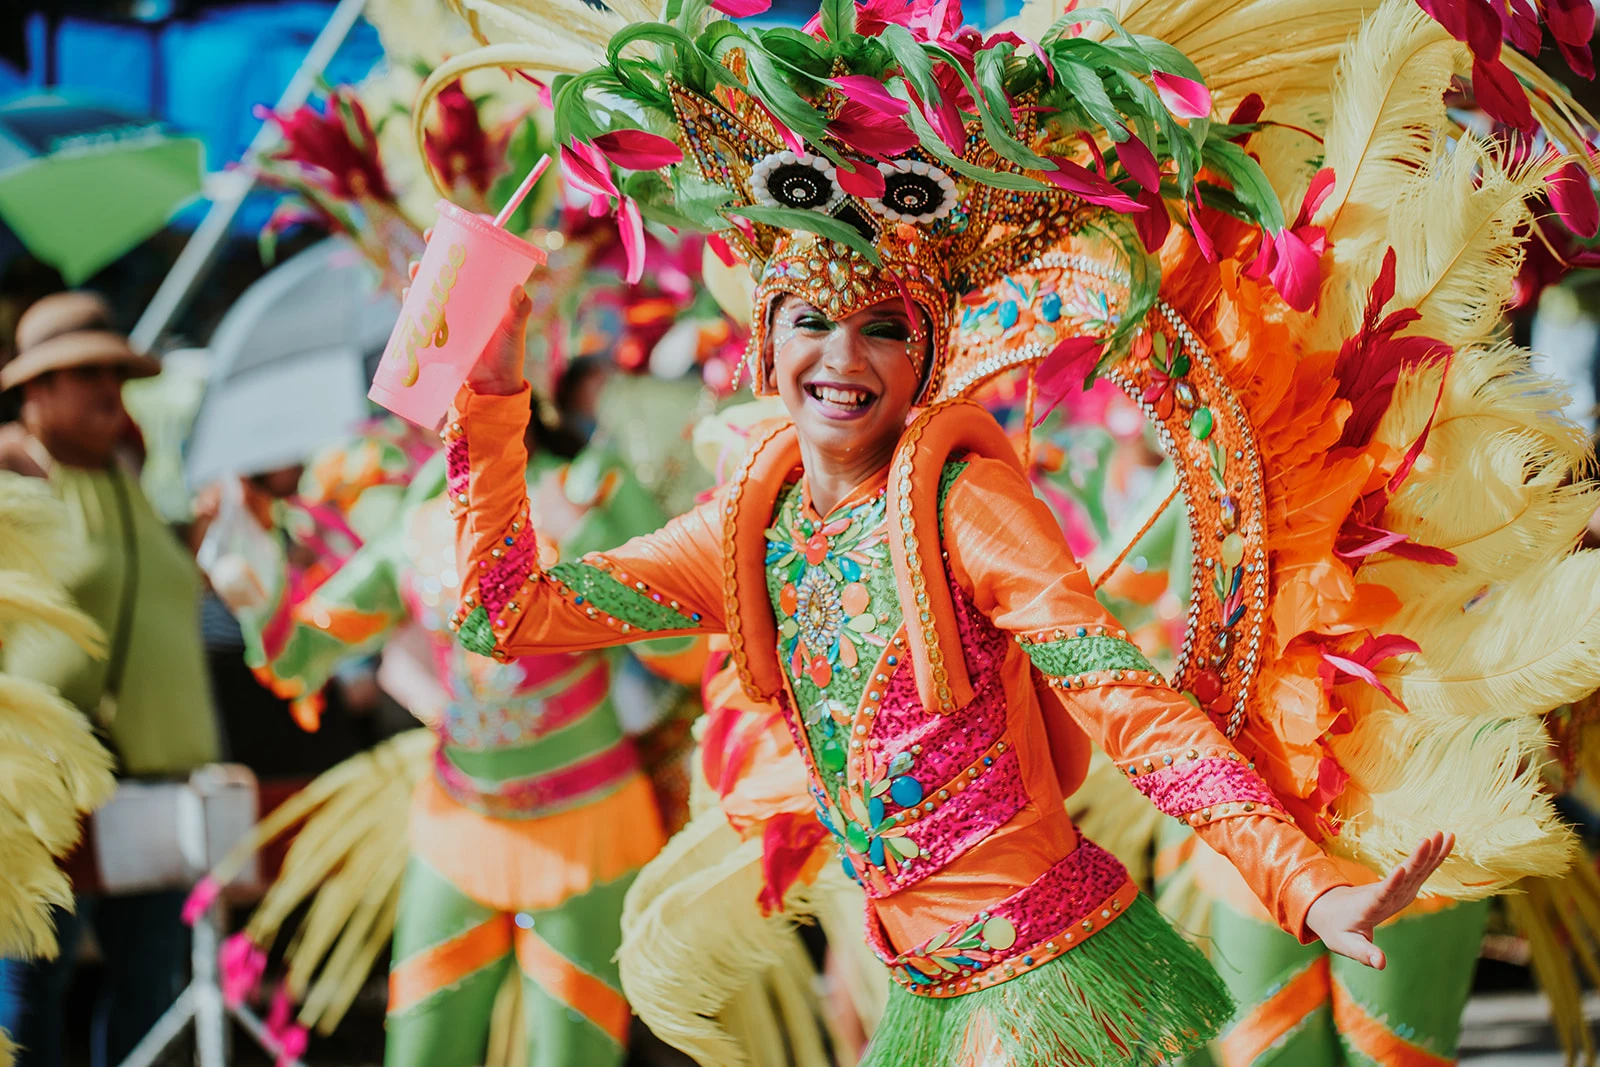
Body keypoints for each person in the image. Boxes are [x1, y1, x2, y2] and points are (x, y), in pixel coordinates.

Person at [418, 0, 1600, 1060]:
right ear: (764, 345)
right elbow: (502, 612)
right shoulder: (742, 528)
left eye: (882, 326)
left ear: (926, 353)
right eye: (812, 323)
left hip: (1051, 987)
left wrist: (1306, 889)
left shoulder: (960, 505)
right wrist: (487, 402)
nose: (842, 358)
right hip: (927, 996)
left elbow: (1124, 698)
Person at [203, 363, 698, 1067]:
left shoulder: (585, 489)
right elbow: (302, 654)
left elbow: (681, 647)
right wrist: (253, 582)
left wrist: (606, 534)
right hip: (457, 828)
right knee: (421, 1052)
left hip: (586, 830)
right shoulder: (419, 518)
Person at [0, 292, 220, 1067]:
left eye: (114, 371)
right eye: (81, 372)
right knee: (35, 978)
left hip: (160, 773)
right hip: (45, 778)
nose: (106, 388)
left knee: (151, 982)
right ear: (36, 390)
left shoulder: (132, 472)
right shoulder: (9, 468)